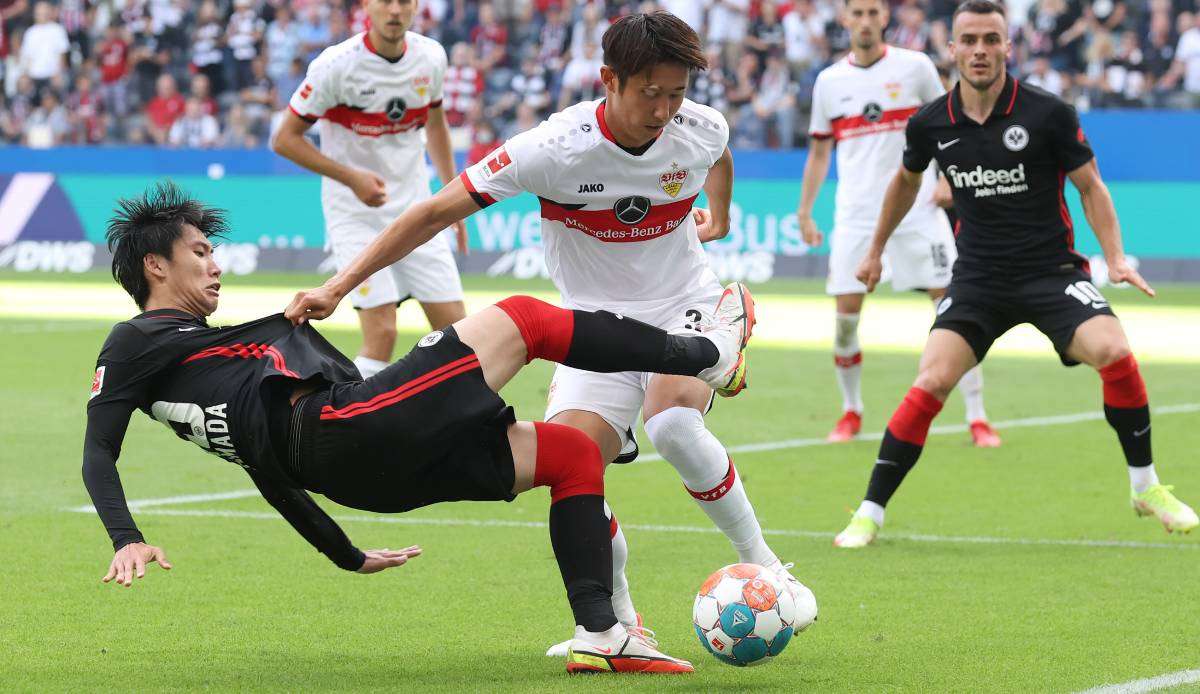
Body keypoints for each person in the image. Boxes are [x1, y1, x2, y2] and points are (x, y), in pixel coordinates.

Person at [285, 11, 820, 657]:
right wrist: (337, 287)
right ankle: (622, 628)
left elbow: (720, 153)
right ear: (609, 80)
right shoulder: (554, 147)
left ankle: (767, 569)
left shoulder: (700, 127)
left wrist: (722, 220)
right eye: (650, 92)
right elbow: (430, 211)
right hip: (591, 331)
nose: (664, 109)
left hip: (685, 305)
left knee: (674, 426)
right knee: (574, 465)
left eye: (676, 94)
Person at [85, 182, 753, 673]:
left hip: (355, 473)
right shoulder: (137, 341)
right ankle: (708, 352)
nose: (215, 264)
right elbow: (98, 454)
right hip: (352, 428)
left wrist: (345, 553)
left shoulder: (199, 373)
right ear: (155, 266)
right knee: (522, 318)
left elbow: (269, 467)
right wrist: (126, 537)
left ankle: (602, 633)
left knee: (572, 454)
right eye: (200, 252)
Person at [833, 0, 1198, 548]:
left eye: (991, 39)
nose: (980, 50)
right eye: (970, 40)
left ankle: (1145, 486)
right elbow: (905, 184)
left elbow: (1091, 186)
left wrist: (1116, 257)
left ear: (1008, 46)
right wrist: (874, 250)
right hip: (978, 278)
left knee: (1115, 351)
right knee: (931, 379)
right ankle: (869, 512)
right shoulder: (932, 121)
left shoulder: (1047, 112)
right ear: (952, 49)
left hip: (1051, 272)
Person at [798, 0, 999, 447]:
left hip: (919, 208)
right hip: (856, 215)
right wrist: (805, 210)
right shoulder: (829, 82)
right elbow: (818, 152)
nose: (866, 21)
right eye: (858, 13)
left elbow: (953, 123)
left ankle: (977, 417)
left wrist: (948, 176)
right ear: (845, 19)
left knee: (953, 307)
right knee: (846, 318)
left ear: (884, 18)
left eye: (873, 13)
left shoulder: (916, 68)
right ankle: (851, 411)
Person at [272, 0, 469, 381]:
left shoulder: (431, 57)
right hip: (355, 214)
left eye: (405, 1)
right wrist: (351, 177)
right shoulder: (335, 65)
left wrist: (450, 198)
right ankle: (347, 427)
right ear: (367, 6)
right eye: (385, 1)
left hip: (417, 211)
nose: (395, 10)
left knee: (457, 335)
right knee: (382, 332)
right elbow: (284, 139)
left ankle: (448, 429)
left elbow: (436, 125)